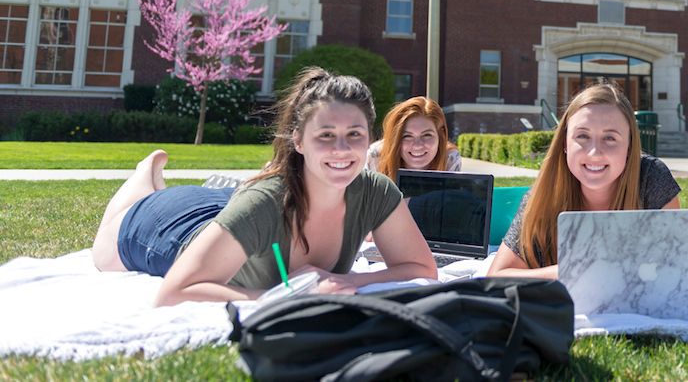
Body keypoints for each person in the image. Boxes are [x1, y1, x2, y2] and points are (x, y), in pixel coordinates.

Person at [90, 67, 437, 306]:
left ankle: (154, 178)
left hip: (236, 211)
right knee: (106, 252)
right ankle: (145, 174)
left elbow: (422, 269)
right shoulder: (265, 201)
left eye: (354, 135)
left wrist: (353, 282)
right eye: (326, 136)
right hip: (174, 228)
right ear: (299, 141)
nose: (342, 150)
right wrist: (283, 299)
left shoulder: (375, 192)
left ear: (370, 138)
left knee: (244, 205)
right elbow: (174, 291)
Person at [487, 83, 681, 279]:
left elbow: (682, 264)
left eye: (610, 138)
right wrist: (573, 272)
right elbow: (496, 276)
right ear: (564, 143)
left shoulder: (651, 177)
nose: (594, 152)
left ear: (629, 146)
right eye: (582, 136)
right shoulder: (543, 197)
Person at [367, 96, 462, 178]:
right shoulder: (376, 157)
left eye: (427, 135)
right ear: (394, 138)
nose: (417, 145)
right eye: (407, 136)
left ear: (440, 136)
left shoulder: (449, 159)